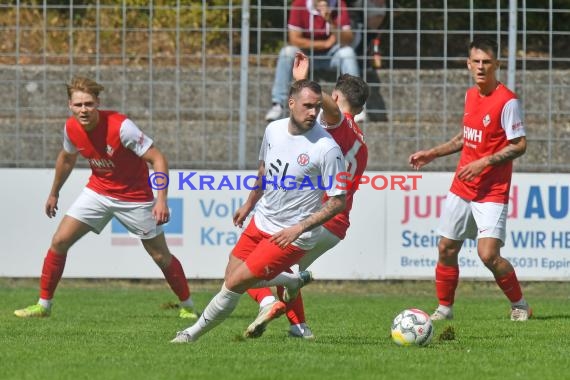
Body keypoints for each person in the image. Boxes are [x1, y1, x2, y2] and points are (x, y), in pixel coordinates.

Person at [171, 79, 347, 343]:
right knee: (231, 275)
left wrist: (298, 228)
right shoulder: (273, 130)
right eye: (308, 106)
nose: (313, 113)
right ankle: (290, 280)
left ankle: (190, 334)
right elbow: (265, 172)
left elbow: (338, 201)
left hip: (293, 234)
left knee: (234, 285)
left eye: (317, 107)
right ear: (291, 104)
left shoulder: (326, 148)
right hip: (262, 220)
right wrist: (249, 204)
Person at [14, 76, 198, 320]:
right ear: (70, 105)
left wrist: (161, 200)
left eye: (89, 104)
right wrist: (54, 192)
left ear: (97, 102)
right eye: (78, 105)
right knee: (59, 241)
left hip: (135, 198)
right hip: (98, 192)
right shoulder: (71, 127)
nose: (84, 110)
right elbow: (67, 158)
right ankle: (43, 306)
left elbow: (158, 159)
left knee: (160, 255)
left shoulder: (122, 127)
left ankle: (187, 306)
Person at [245, 51, 369, 339]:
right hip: (337, 225)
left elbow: (333, 112)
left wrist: (304, 82)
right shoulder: (361, 140)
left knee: (249, 265)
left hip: (319, 217)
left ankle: (281, 291)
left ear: (335, 99)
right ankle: (299, 326)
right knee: (284, 264)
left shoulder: (340, 124)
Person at [408, 38, 532, 322]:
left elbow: (520, 144)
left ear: (496, 65)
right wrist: (433, 153)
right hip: (463, 187)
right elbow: (467, 136)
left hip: (492, 190)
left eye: (486, 62)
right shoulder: (469, 96)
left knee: (488, 255)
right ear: (468, 64)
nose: (480, 67)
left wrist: (484, 162)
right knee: (446, 248)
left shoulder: (507, 101)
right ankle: (444, 309)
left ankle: (520, 304)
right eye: (476, 62)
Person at [265, 0, 360, 122]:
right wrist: (324, 44)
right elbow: (294, 39)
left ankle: (353, 106)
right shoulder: (299, 4)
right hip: (306, 54)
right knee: (287, 52)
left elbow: (348, 40)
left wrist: (330, 21)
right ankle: (278, 104)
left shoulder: (339, 4)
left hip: (331, 55)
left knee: (348, 53)